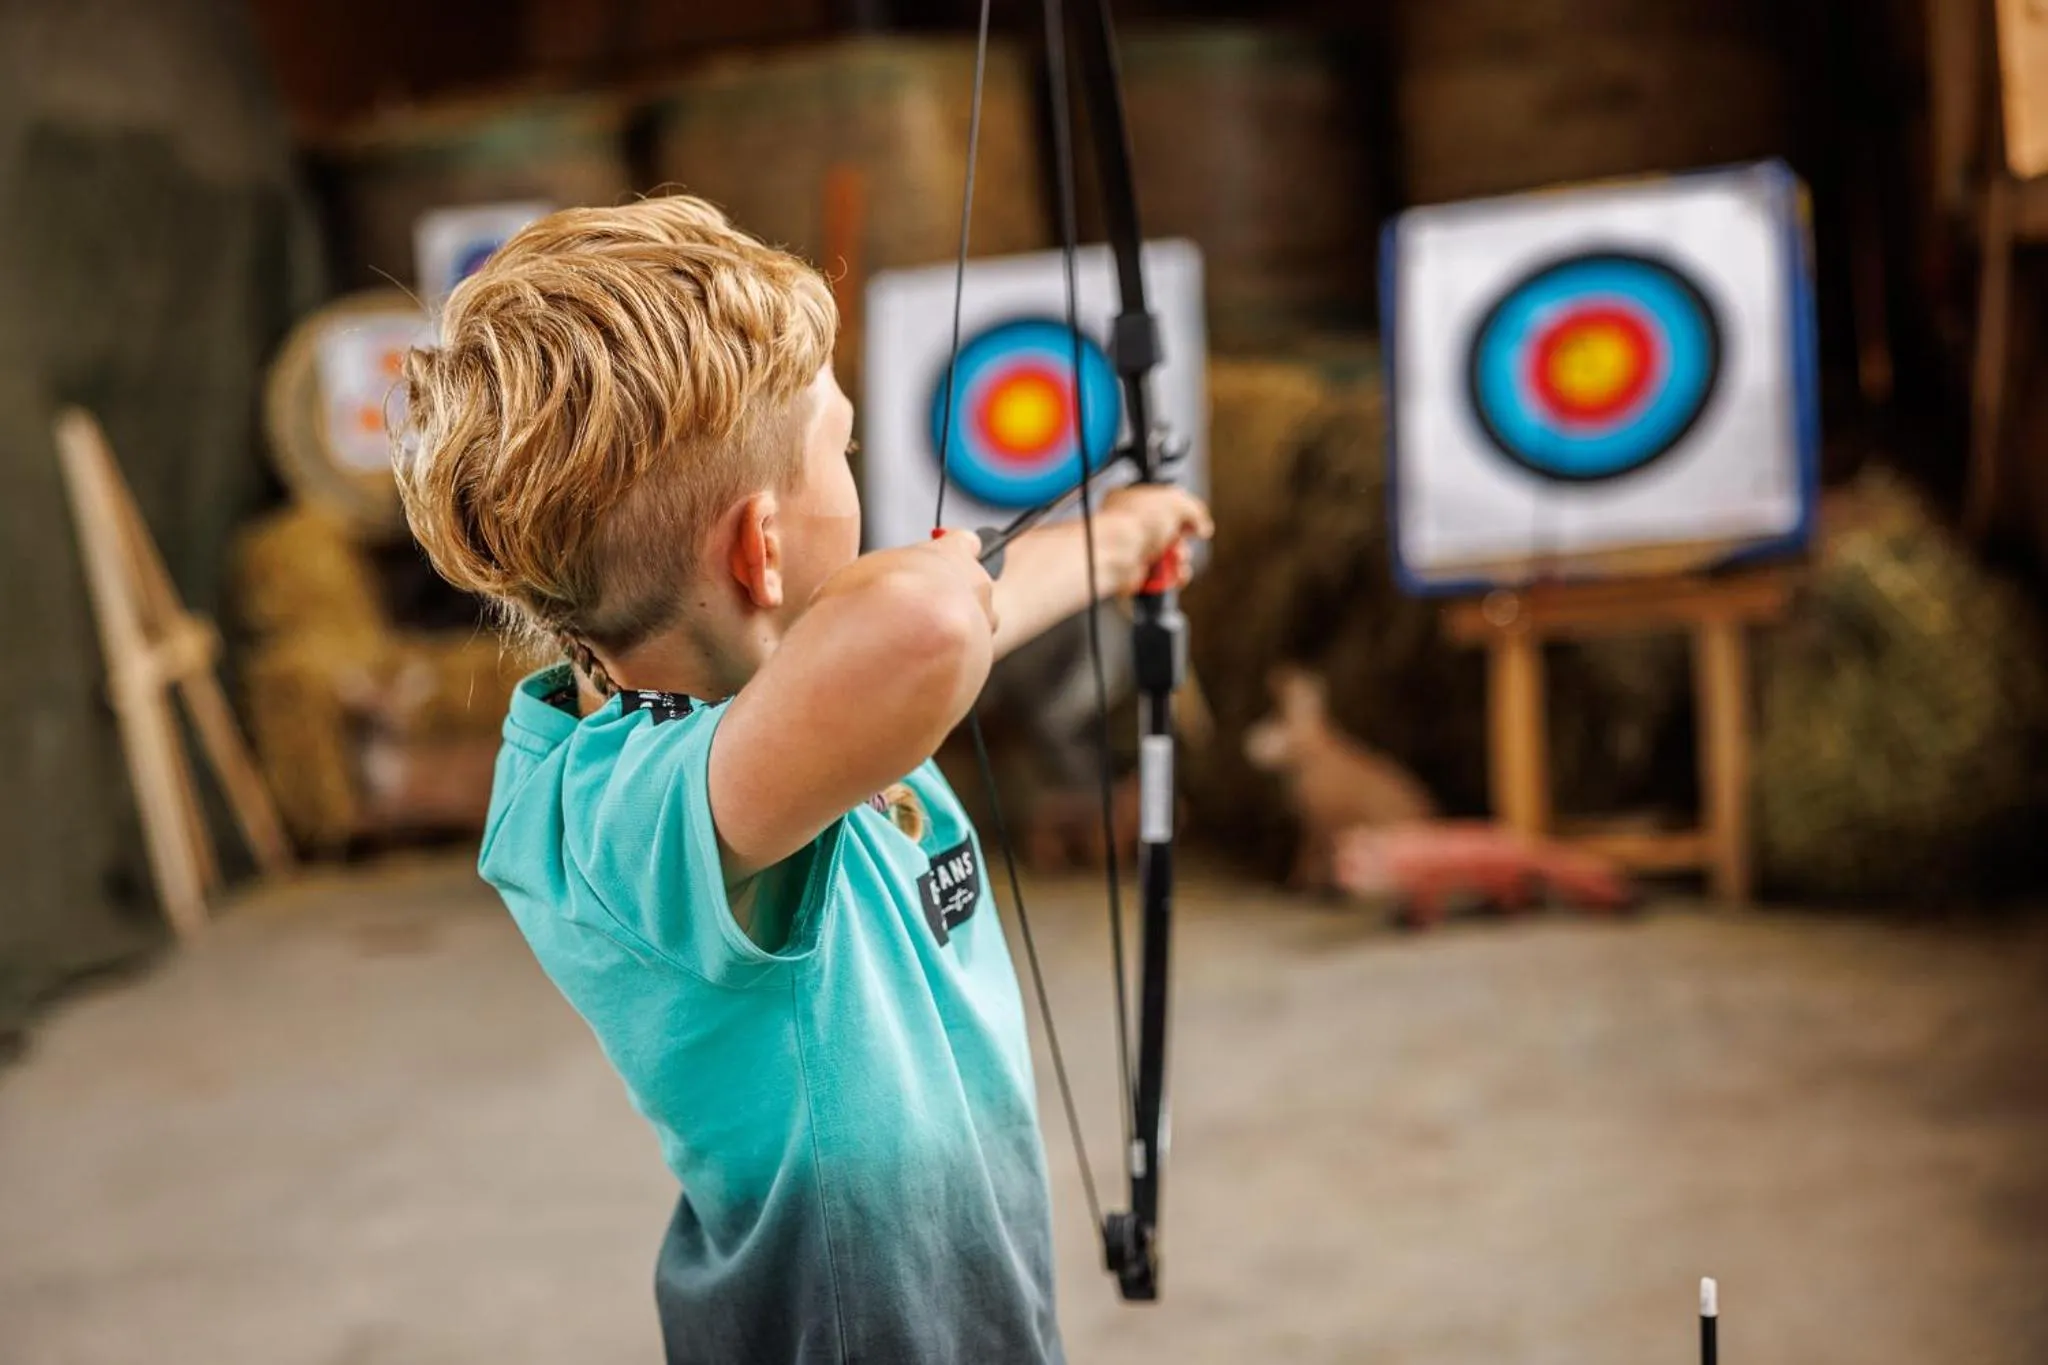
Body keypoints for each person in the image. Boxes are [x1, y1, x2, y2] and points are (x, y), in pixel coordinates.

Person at [392, 193, 1211, 1364]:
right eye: (841, 444)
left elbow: (942, 622)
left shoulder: (761, 707)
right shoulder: (628, 819)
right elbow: (927, 626)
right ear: (761, 548)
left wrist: (1117, 540)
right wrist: (931, 582)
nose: (861, 465)